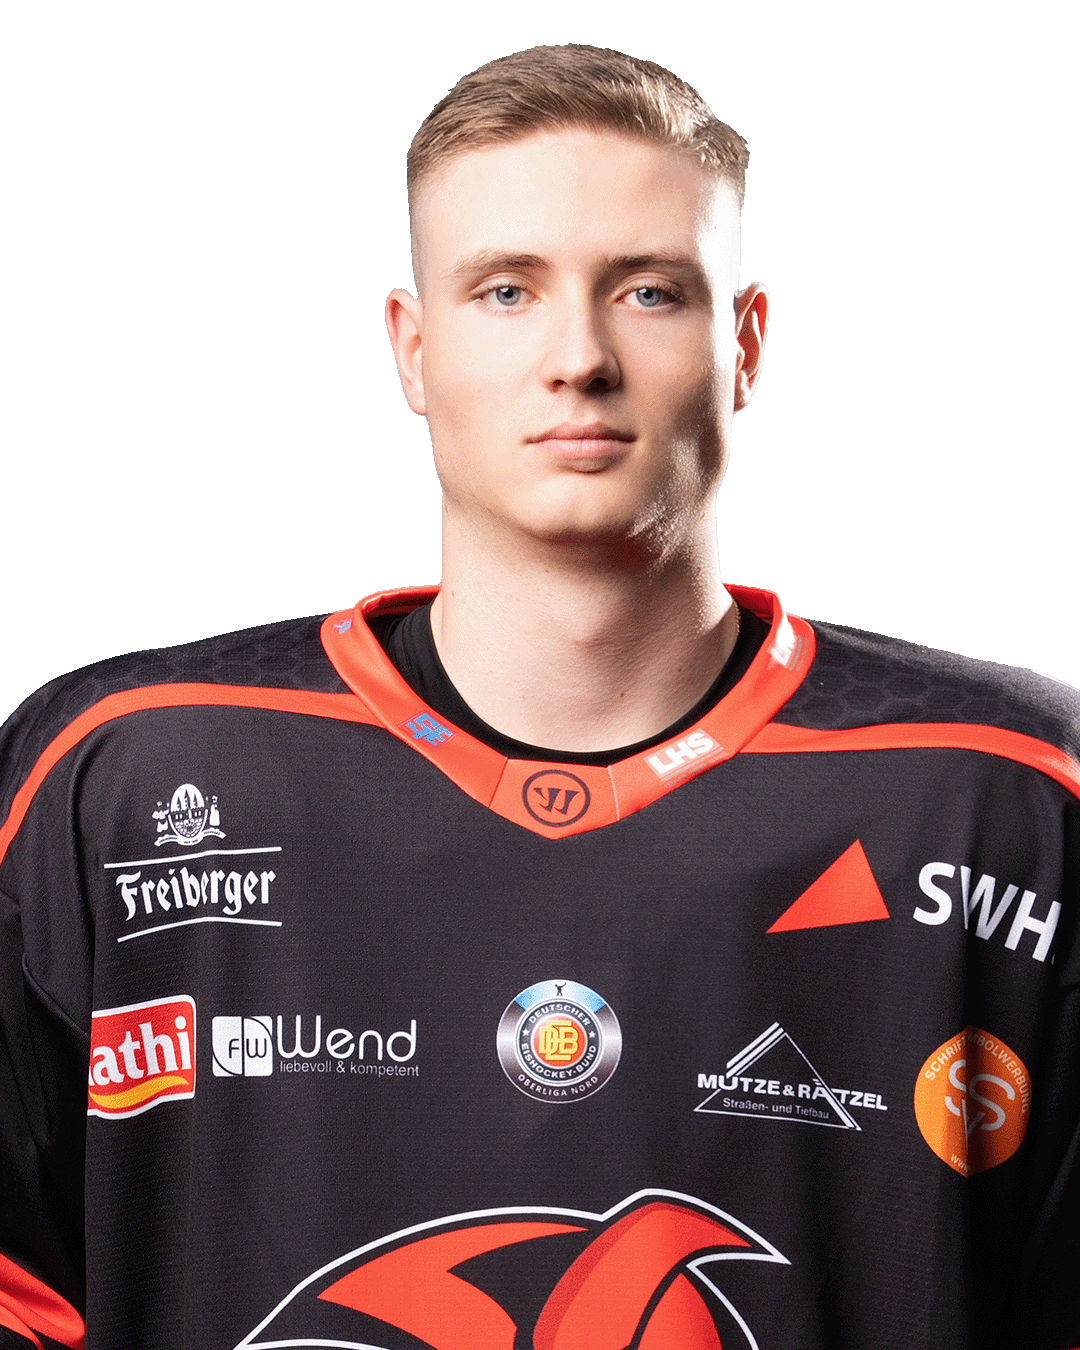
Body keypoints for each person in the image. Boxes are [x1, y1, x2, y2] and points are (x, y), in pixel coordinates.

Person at [0, 42, 1077, 1350]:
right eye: (506, 290)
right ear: (413, 350)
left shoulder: (1009, 799)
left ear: (744, 343)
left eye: (649, 291)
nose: (579, 356)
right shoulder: (110, 779)